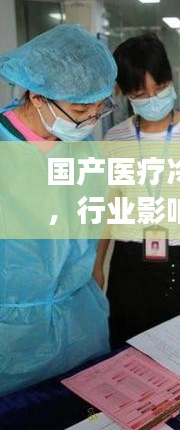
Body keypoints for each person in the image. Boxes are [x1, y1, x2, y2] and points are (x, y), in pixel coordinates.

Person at [0, 24, 117, 396]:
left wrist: (96, 270)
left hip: (81, 324)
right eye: (81, 109)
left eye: (100, 107)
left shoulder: (82, 147)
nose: (91, 119)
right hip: (12, 340)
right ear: (37, 97)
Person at [95, 33, 180, 349]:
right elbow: (108, 210)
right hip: (128, 263)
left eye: (161, 88)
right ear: (125, 93)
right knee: (126, 354)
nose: (153, 99)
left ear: (171, 79)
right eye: (141, 93)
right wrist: (97, 266)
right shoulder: (115, 139)